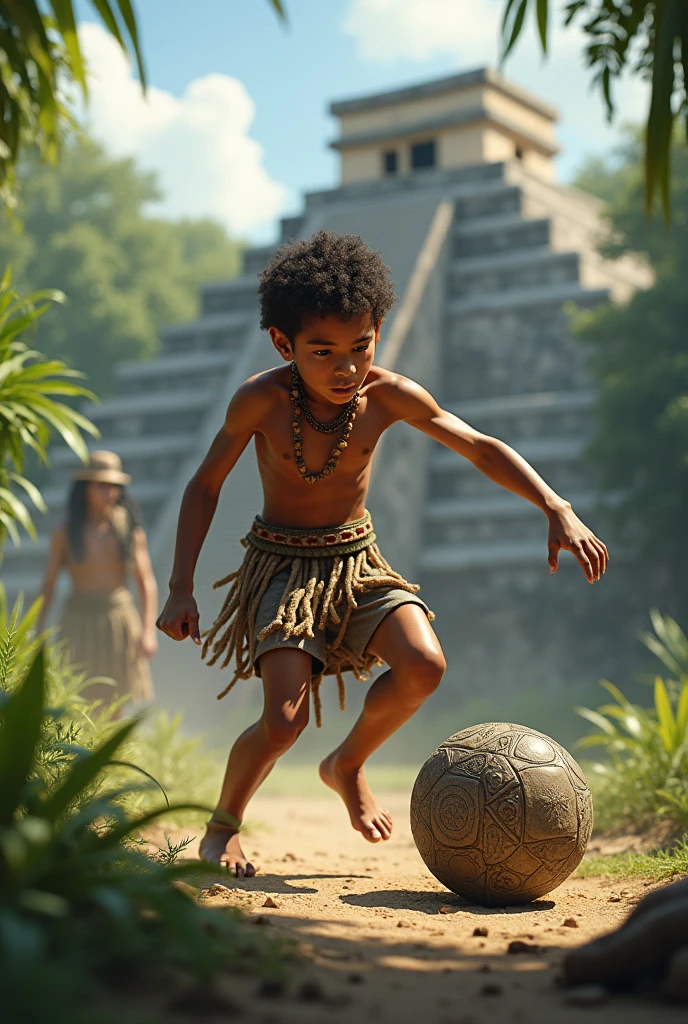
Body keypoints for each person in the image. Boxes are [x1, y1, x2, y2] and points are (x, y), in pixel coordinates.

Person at [156, 230, 609, 877]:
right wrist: (180, 586)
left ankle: (346, 763)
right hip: (282, 570)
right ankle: (224, 824)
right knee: (283, 722)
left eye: (360, 348)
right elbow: (205, 484)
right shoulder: (260, 399)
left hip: (358, 563)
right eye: (323, 352)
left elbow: (478, 446)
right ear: (284, 345)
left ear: (378, 333)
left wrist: (555, 507)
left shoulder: (390, 395)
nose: (346, 368)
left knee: (424, 663)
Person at [39, 450, 158, 710]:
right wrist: (39, 626)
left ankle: (111, 749)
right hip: (78, 620)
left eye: (115, 486)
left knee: (116, 700)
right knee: (78, 699)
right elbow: (48, 585)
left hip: (119, 620)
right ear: (85, 489)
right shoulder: (66, 533)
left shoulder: (130, 532)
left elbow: (146, 583)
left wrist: (148, 632)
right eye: (102, 486)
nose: (110, 493)